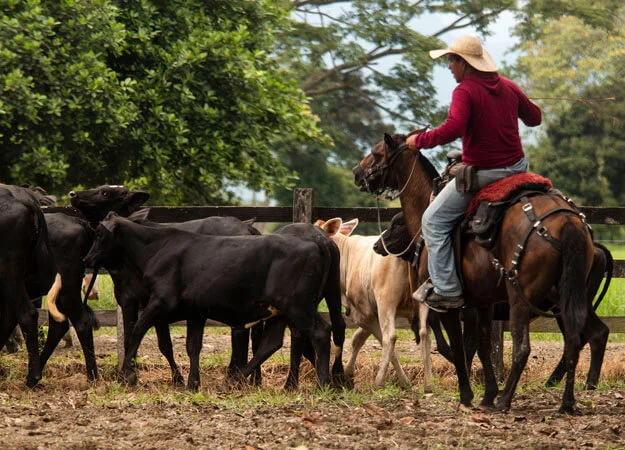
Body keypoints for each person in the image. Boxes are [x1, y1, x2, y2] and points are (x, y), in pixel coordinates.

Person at [406, 35, 542, 310]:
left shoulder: (464, 91)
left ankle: (447, 289)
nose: (449, 67)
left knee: (432, 220)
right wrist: (518, 98)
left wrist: (417, 141)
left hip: (487, 176)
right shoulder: (507, 86)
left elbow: (453, 128)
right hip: (517, 169)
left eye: (451, 61)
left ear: (464, 63)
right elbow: (535, 118)